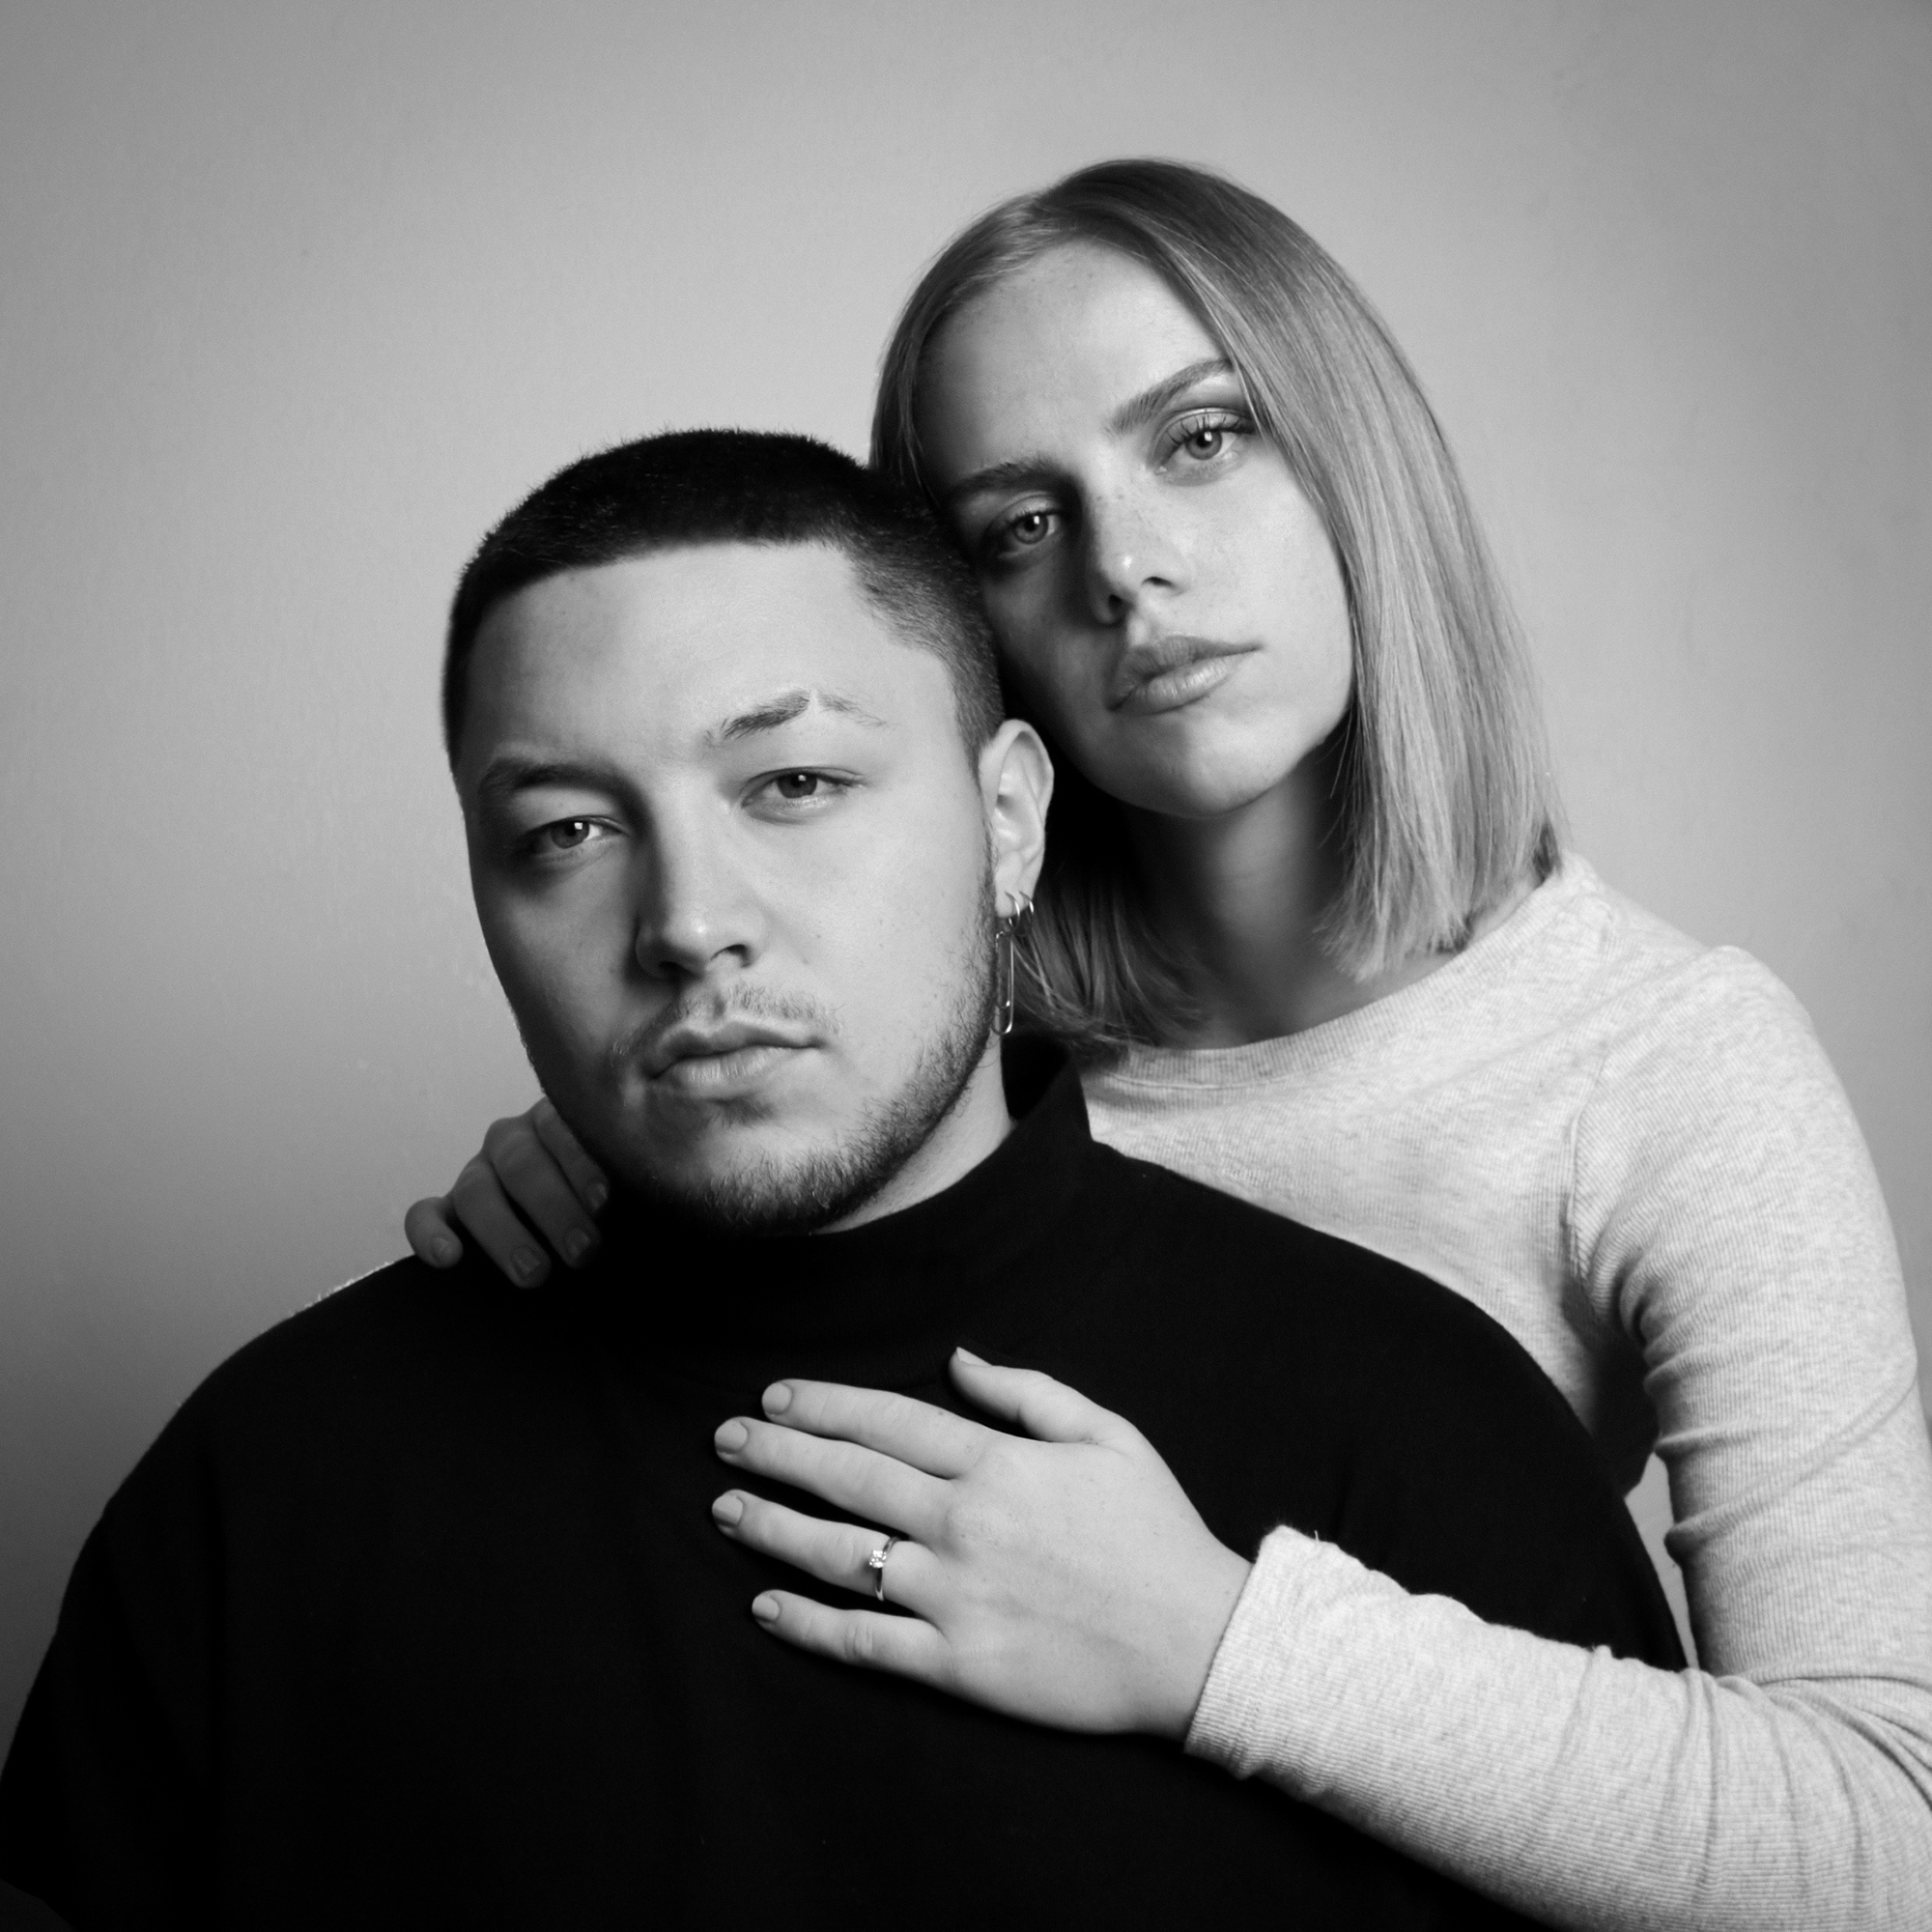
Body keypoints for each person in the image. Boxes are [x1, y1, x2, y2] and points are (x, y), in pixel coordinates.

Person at [405, 163, 1932, 1929]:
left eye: (1201, 440)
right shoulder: (929, 1067)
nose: (1126, 568)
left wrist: (1218, 1638)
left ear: (1353, 460)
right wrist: (613, 1162)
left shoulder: (1661, 1062)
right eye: (1018, 525)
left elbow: (1889, 1836)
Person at [0, 430, 1683, 1929]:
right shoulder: (266, 1487)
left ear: (1008, 819)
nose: (687, 924)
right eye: (567, 832)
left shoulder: (1415, 1430)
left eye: (793, 784)